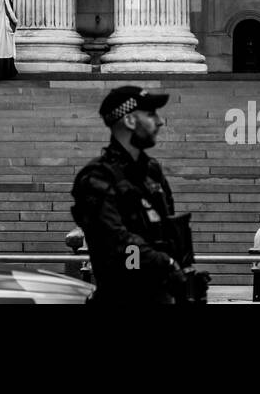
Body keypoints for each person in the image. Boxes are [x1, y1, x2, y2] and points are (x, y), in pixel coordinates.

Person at [71, 86, 194, 304]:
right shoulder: (96, 178)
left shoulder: (152, 172)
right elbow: (118, 246)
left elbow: (166, 231)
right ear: (129, 121)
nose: (159, 121)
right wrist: (164, 264)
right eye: (151, 114)